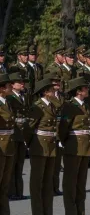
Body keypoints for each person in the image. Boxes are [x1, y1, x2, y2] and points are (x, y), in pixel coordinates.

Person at [59, 77, 90, 215]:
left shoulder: (85, 105)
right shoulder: (69, 106)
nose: (87, 90)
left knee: (81, 183)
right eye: (85, 88)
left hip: (85, 148)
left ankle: (80, 211)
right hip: (73, 148)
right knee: (70, 183)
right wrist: (67, 143)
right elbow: (63, 129)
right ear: (78, 91)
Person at [26, 78, 58, 215]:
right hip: (39, 146)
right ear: (45, 92)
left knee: (48, 182)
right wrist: (31, 145)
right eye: (52, 90)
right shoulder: (37, 107)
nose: (54, 91)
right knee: (37, 183)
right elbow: (28, 129)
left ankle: (47, 211)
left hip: (50, 146)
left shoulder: (51, 105)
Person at [7, 72, 28, 201]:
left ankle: (19, 192)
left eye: (22, 82)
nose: (22, 84)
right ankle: (11, 192)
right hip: (14, 133)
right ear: (12, 85)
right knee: (12, 165)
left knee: (19, 165)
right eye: (19, 82)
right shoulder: (9, 98)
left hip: (22, 134)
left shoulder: (23, 96)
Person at [0, 73, 16, 214]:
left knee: (4, 186)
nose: (11, 86)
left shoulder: (7, 102)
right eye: (8, 85)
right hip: (0, 148)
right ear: (1, 88)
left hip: (9, 147)